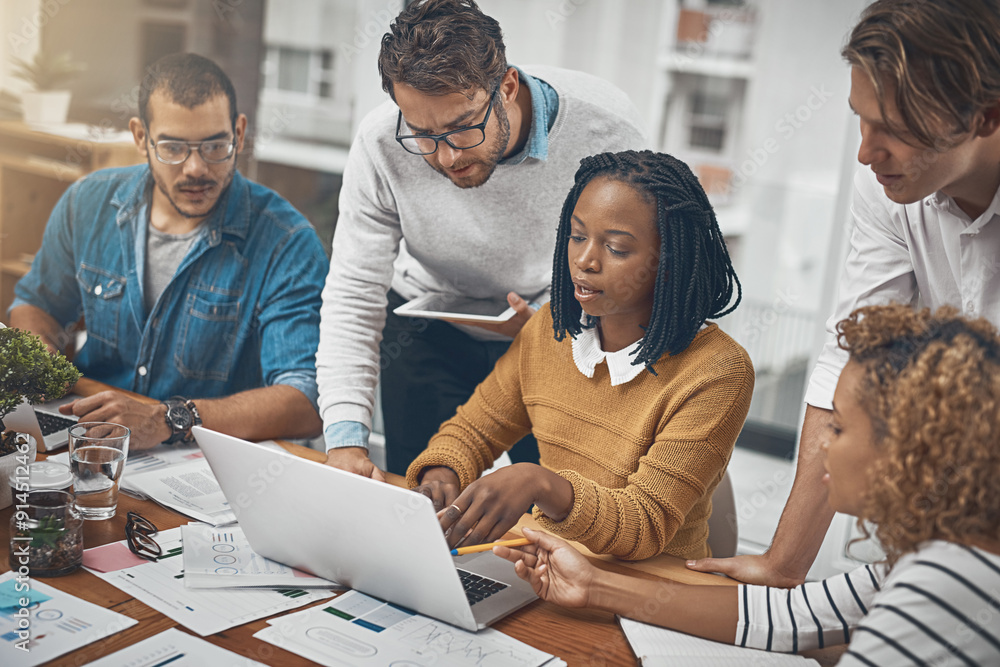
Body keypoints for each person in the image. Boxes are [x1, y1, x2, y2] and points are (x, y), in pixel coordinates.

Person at [688, 0, 1000, 585]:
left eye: (896, 130)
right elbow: (852, 358)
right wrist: (782, 565)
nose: (866, 152)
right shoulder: (886, 186)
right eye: (862, 119)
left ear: (986, 116)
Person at [501, 304, 1000, 665]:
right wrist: (592, 585)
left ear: (910, 449)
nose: (822, 447)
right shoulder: (931, 562)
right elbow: (792, 615)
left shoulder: (947, 580)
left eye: (840, 428)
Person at [317, 0, 647, 478]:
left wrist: (565, 331)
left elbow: (639, 279)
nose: (447, 157)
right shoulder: (380, 143)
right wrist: (345, 440)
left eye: (461, 128)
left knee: (562, 500)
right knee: (426, 498)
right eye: (423, 134)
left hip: (554, 324)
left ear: (507, 87)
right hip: (425, 331)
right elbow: (353, 293)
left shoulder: (607, 132)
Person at [405, 150, 753, 561]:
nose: (585, 261)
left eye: (617, 248)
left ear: (669, 262)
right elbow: (473, 431)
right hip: (550, 566)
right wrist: (442, 473)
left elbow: (644, 526)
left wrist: (540, 483)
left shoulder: (718, 371)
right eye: (577, 236)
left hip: (651, 587)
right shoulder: (551, 328)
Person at [9, 53, 327, 449]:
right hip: (88, 436)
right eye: (173, 147)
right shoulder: (87, 201)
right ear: (141, 137)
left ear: (240, 133)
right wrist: (40, 360)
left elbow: (306, 399)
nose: (195, 168)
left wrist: (171, 419)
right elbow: (36, 304)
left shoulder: (287, 242)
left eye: (215, 145)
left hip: (208, 457)